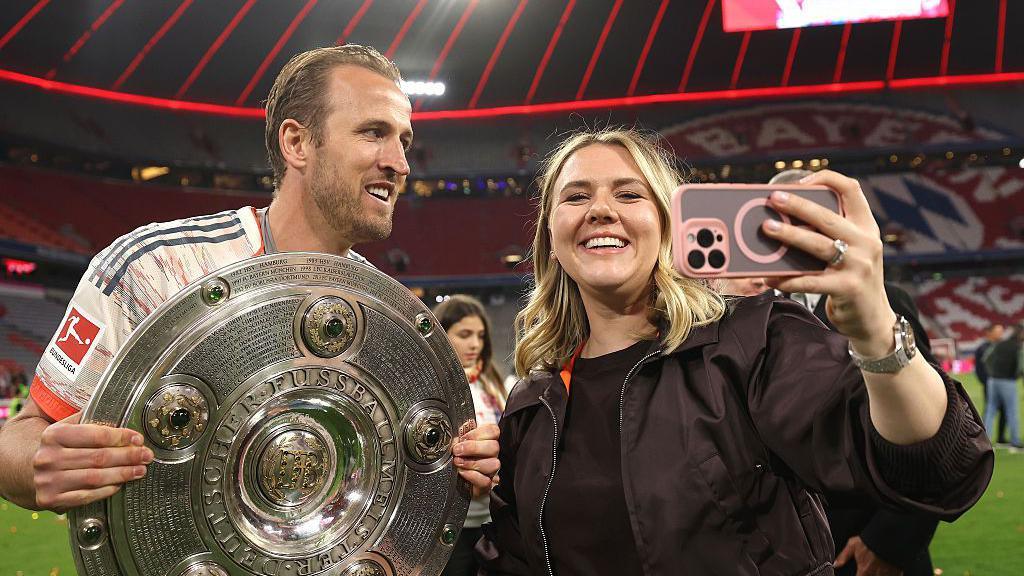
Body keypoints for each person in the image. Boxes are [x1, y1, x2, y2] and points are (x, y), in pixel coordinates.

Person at [0, 44, 499, 512]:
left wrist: (460, 463)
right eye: (374, 133)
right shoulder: (153, 268)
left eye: (404, 141)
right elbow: (20, 439)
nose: (400, 163)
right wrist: (41, 462)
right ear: (297, 143)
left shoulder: (388, 316)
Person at [476, 128, 992, 575]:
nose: (601, 210)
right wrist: (451, 483)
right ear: (551, 234)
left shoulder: (750, 341)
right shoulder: (532, 401)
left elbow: (937, 468)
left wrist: (875, 328)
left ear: (668, 226)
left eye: (630, 194)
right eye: (575, 196)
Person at [769, 169, 941, 576]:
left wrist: (889, 542)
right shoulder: (738, 308)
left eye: (809, 215)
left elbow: (926, 430)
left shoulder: (883, 301)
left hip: (861, 548)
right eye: (780, 217)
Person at [434, 295, 509, 576]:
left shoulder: (496, 384)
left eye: (480, 335)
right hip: (446, 525)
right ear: (442, 335)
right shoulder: (430, 388)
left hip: (492, 521)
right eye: (465, 335)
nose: (475, 344)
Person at [982, 323, 1023, 448]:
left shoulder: (1000, 343)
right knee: (1012, 410)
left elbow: (986, 358)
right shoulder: (1018, 346)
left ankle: (985, 440)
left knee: (990, 410)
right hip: (1007, 381)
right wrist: (1016, 375)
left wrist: (991, 372)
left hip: (993, 380)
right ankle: (1015, 441)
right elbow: (1022, 367)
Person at [975, 323, 1007, 444]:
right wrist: (986, 382)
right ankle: (984, 438)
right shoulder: (982, 348)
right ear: (989, 333)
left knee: (1004, 410)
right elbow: (979, 369)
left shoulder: (1002, 346)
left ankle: (1001, 438)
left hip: (1003, 383)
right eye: (998, 331)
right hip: (990, 384)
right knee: (990, 410)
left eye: (1002, 331)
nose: (1001, 334)